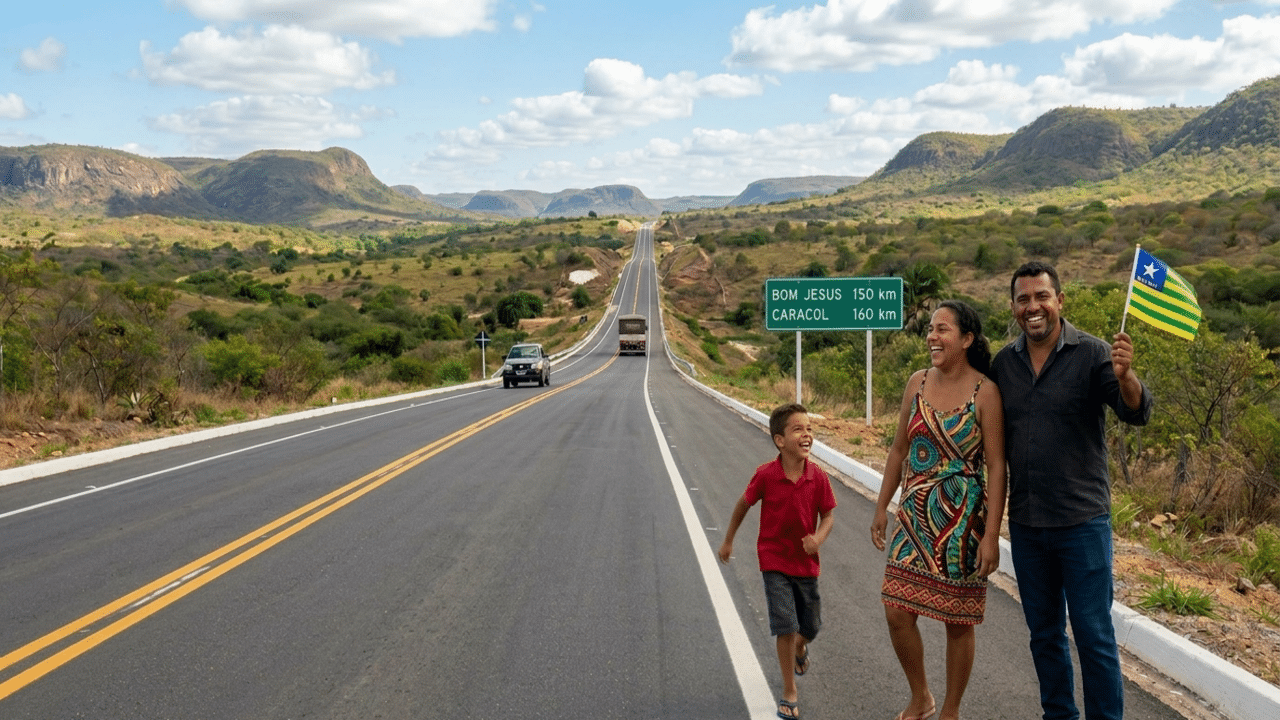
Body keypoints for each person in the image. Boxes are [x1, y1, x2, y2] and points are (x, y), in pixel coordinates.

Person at [990, 261, 1153, 720]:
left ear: (1059, 301)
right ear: (1014, 307)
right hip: (1026, 524)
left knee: (1093, 636)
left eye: (1041, 296)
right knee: (1044, 635)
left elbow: (1135, 412)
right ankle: (1059, 715)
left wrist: (1126, 378)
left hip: (1082, 525)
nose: (1033, 307)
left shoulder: (1094, 353)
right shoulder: (1005, 363)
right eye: (1023, 299)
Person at [871, 300, 1007, 720]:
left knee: (957, 619)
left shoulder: (986, 392)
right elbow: (898, 449)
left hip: (963, 522)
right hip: (913, 516)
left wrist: (991, 537)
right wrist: (882, 506)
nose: (932, 336)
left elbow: (997, 465)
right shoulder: (916, 382)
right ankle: (920, 695)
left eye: (942, 329)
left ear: (966, 339)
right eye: (931, 328)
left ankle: (950, 709)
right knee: (897, 610)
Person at [719, 403, 837, 720]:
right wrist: (729, 539)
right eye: (798, 429)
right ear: (780, 440)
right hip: (773, 558)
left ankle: (801, 647)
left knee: (810, 627)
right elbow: (743, 505)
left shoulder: (819, 478)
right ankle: (789, 691)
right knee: (785, 624)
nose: (807, 434)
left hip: (806, 565)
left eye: (809, 428)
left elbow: (828, 516)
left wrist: (818, 539)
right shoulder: (766, 475)